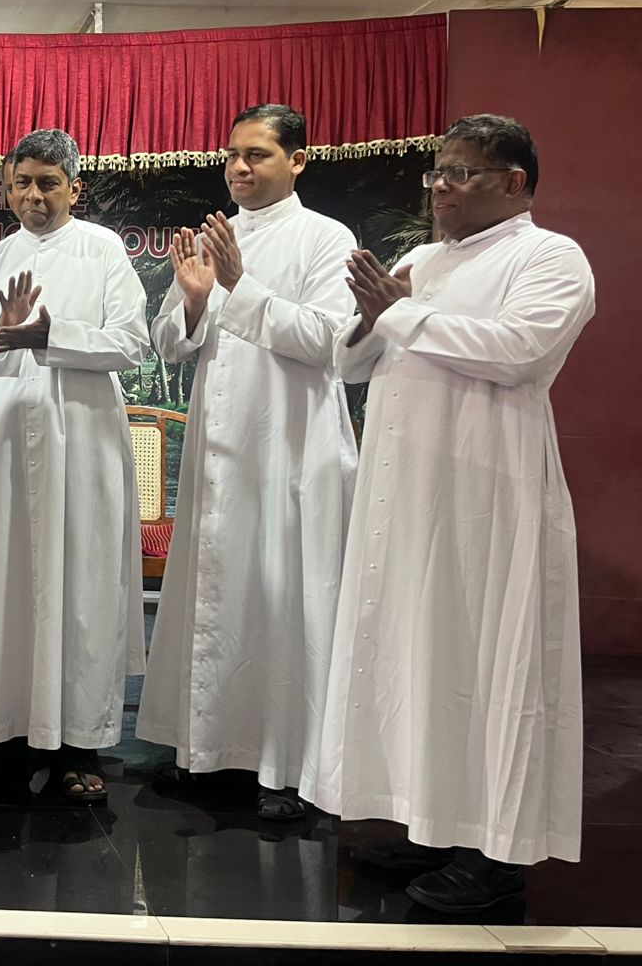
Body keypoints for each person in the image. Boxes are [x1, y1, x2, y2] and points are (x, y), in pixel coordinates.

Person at [301, 114, 594, 913]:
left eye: (461, 174)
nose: (440, 189)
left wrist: (397, 312)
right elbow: (350, 363)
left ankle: (495, 854)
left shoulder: (549, 256)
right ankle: (429, 820)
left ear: (515, 182)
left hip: (487, 496)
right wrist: (370, 317)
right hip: (408, 496)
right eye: (437, 173)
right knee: (417, 658)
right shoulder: (422, 261)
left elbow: (518, 351)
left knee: (484, 662)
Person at [137, 104, 359, 820]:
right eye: (232, 154)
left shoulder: (326, 238)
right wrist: (195, 302)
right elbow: (169, 342)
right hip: (219, 449)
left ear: (298, 160)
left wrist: (239, 287)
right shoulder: (213, 238)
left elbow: (330, 341)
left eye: (257, 154)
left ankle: (288, 769)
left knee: (283, 597)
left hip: (290, 448)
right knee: (217, 594)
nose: (238, 166)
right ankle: (207, 751)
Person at [0, 128, 151, 804]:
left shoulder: (103, 250)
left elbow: (132, 343)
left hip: (79, 437)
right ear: (7, 188)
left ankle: (79, 745)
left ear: (74, 188)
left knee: (80, 581)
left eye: (48, 183)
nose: (34, 195)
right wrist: (1, 333)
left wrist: (51, 335)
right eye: (22, 183)